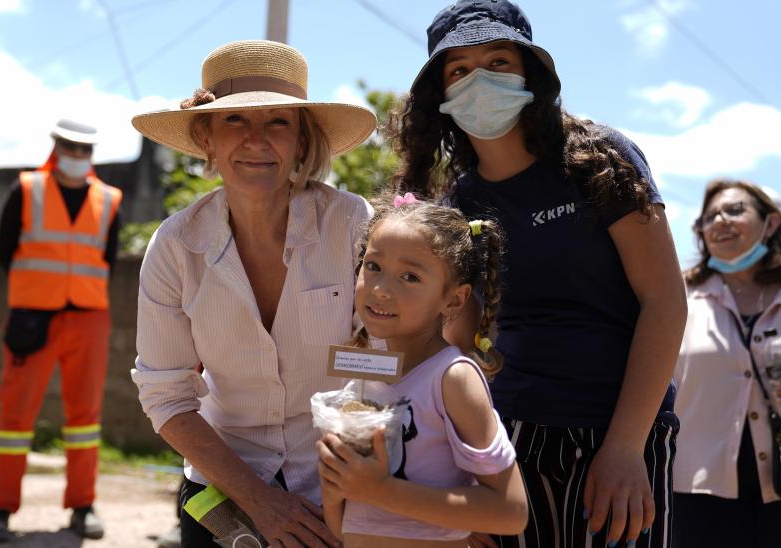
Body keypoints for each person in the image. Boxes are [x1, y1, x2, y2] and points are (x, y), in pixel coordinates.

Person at [391, 1, 688, 546]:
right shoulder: (458, 202)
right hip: (506, 440)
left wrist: (625, 446)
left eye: (499, 61)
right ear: (442, 94)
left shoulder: (600, 158)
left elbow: (666, 302)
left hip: (619, 431)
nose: (481, 79)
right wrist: (459, 470)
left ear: (532, 73)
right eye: (459, 69)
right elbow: (459, 343)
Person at [130, 39, 376, 548]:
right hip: (224, 487)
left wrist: (348, 483)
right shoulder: (175, 246)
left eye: (278, 122)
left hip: (343, 477)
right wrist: (261, 502)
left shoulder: (352, 224)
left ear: (302, 141)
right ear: (208, 139)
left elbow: (382, 359)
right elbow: (166, 394)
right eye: (235, 122)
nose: (256, 141)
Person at [316, 195, 528, 547]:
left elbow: (510, 511)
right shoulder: (363, 384)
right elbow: (347, 528)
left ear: (454, 300)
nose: (381, 289)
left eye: (410, 277)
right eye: (373, 266)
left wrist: (380, 489)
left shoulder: (453, 377)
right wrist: (337, 484)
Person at [0, 119, 122, 544]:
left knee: (84, 419)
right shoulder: (26, 189)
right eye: (70, 146)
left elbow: (108, 259)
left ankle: (82, 506)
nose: (77, 156)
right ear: (56, 146)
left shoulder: (110, 199)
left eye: (84, 149)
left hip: (89, 316)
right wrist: (37, 291)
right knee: (14, 417)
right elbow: (4, 251)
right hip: (31, 317)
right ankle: (0, 511)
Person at [673, 179, 781, 548]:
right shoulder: (675, 298)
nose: (720, 221)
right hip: (697, 493)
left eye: (735, 210)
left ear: (771, 223)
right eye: (709, 216)